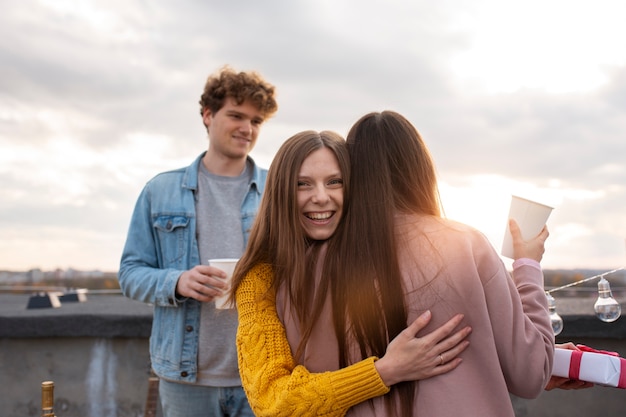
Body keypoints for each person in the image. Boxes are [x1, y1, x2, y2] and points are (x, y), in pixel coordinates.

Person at [315, 110, 554, 416]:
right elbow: (532, 373)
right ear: (421, 168)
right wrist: (527, 266)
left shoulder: (319, 262)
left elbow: (315, 387)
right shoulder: (465, 244)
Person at [233, 130, 472, 416]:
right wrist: (384, 371)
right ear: (281, 192)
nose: (321, 197)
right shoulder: (260, 278)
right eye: (302, 184)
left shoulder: (376, 254)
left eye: (335, 182)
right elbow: (272, 401)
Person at [118, 65, 278, 417]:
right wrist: (178, 281)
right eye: (236, 115)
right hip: (185, 379)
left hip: (264, 374)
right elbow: (129, 274)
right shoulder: (159, 191)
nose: (247, 128)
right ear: (208, 115)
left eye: (256, 121)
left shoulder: (277, 190)